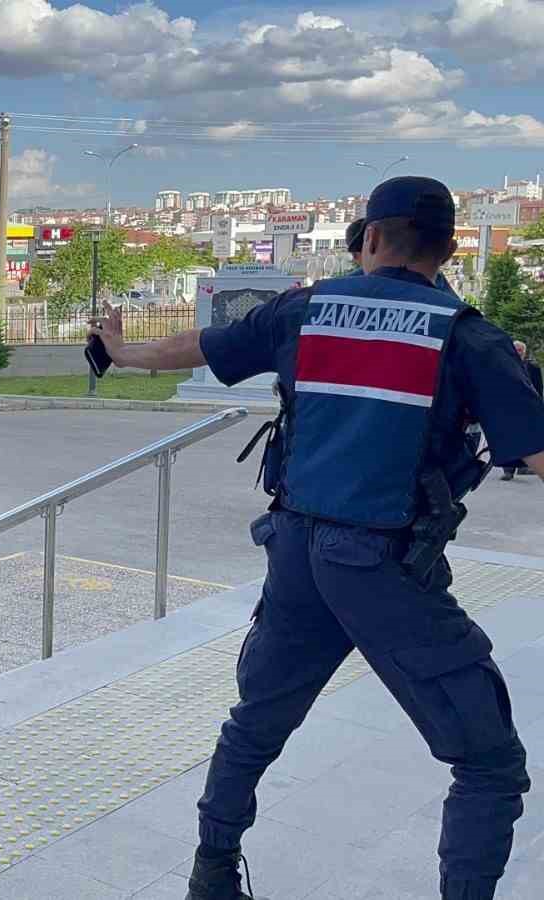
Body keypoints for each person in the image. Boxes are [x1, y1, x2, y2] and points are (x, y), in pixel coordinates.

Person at [91, 176, 542, 900]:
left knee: (255, 724)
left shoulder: (304, 309)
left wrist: (120, 351)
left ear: (370, 238)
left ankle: (211, 875)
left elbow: (198, 345)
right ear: (449, 249)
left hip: (297, 555)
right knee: (489, 765)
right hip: (389, 571)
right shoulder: (468, 336)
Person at [499, 340, 544, 480]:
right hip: (508, 408)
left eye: (520, 350)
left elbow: (539, 389)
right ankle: (508, 470)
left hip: (528, 408)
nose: (518, 352)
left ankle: (524, 467)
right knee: (508, 439)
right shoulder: (503, 365)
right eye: (516, 349)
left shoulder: (533, 368)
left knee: (526, 438)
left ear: (524, 352)